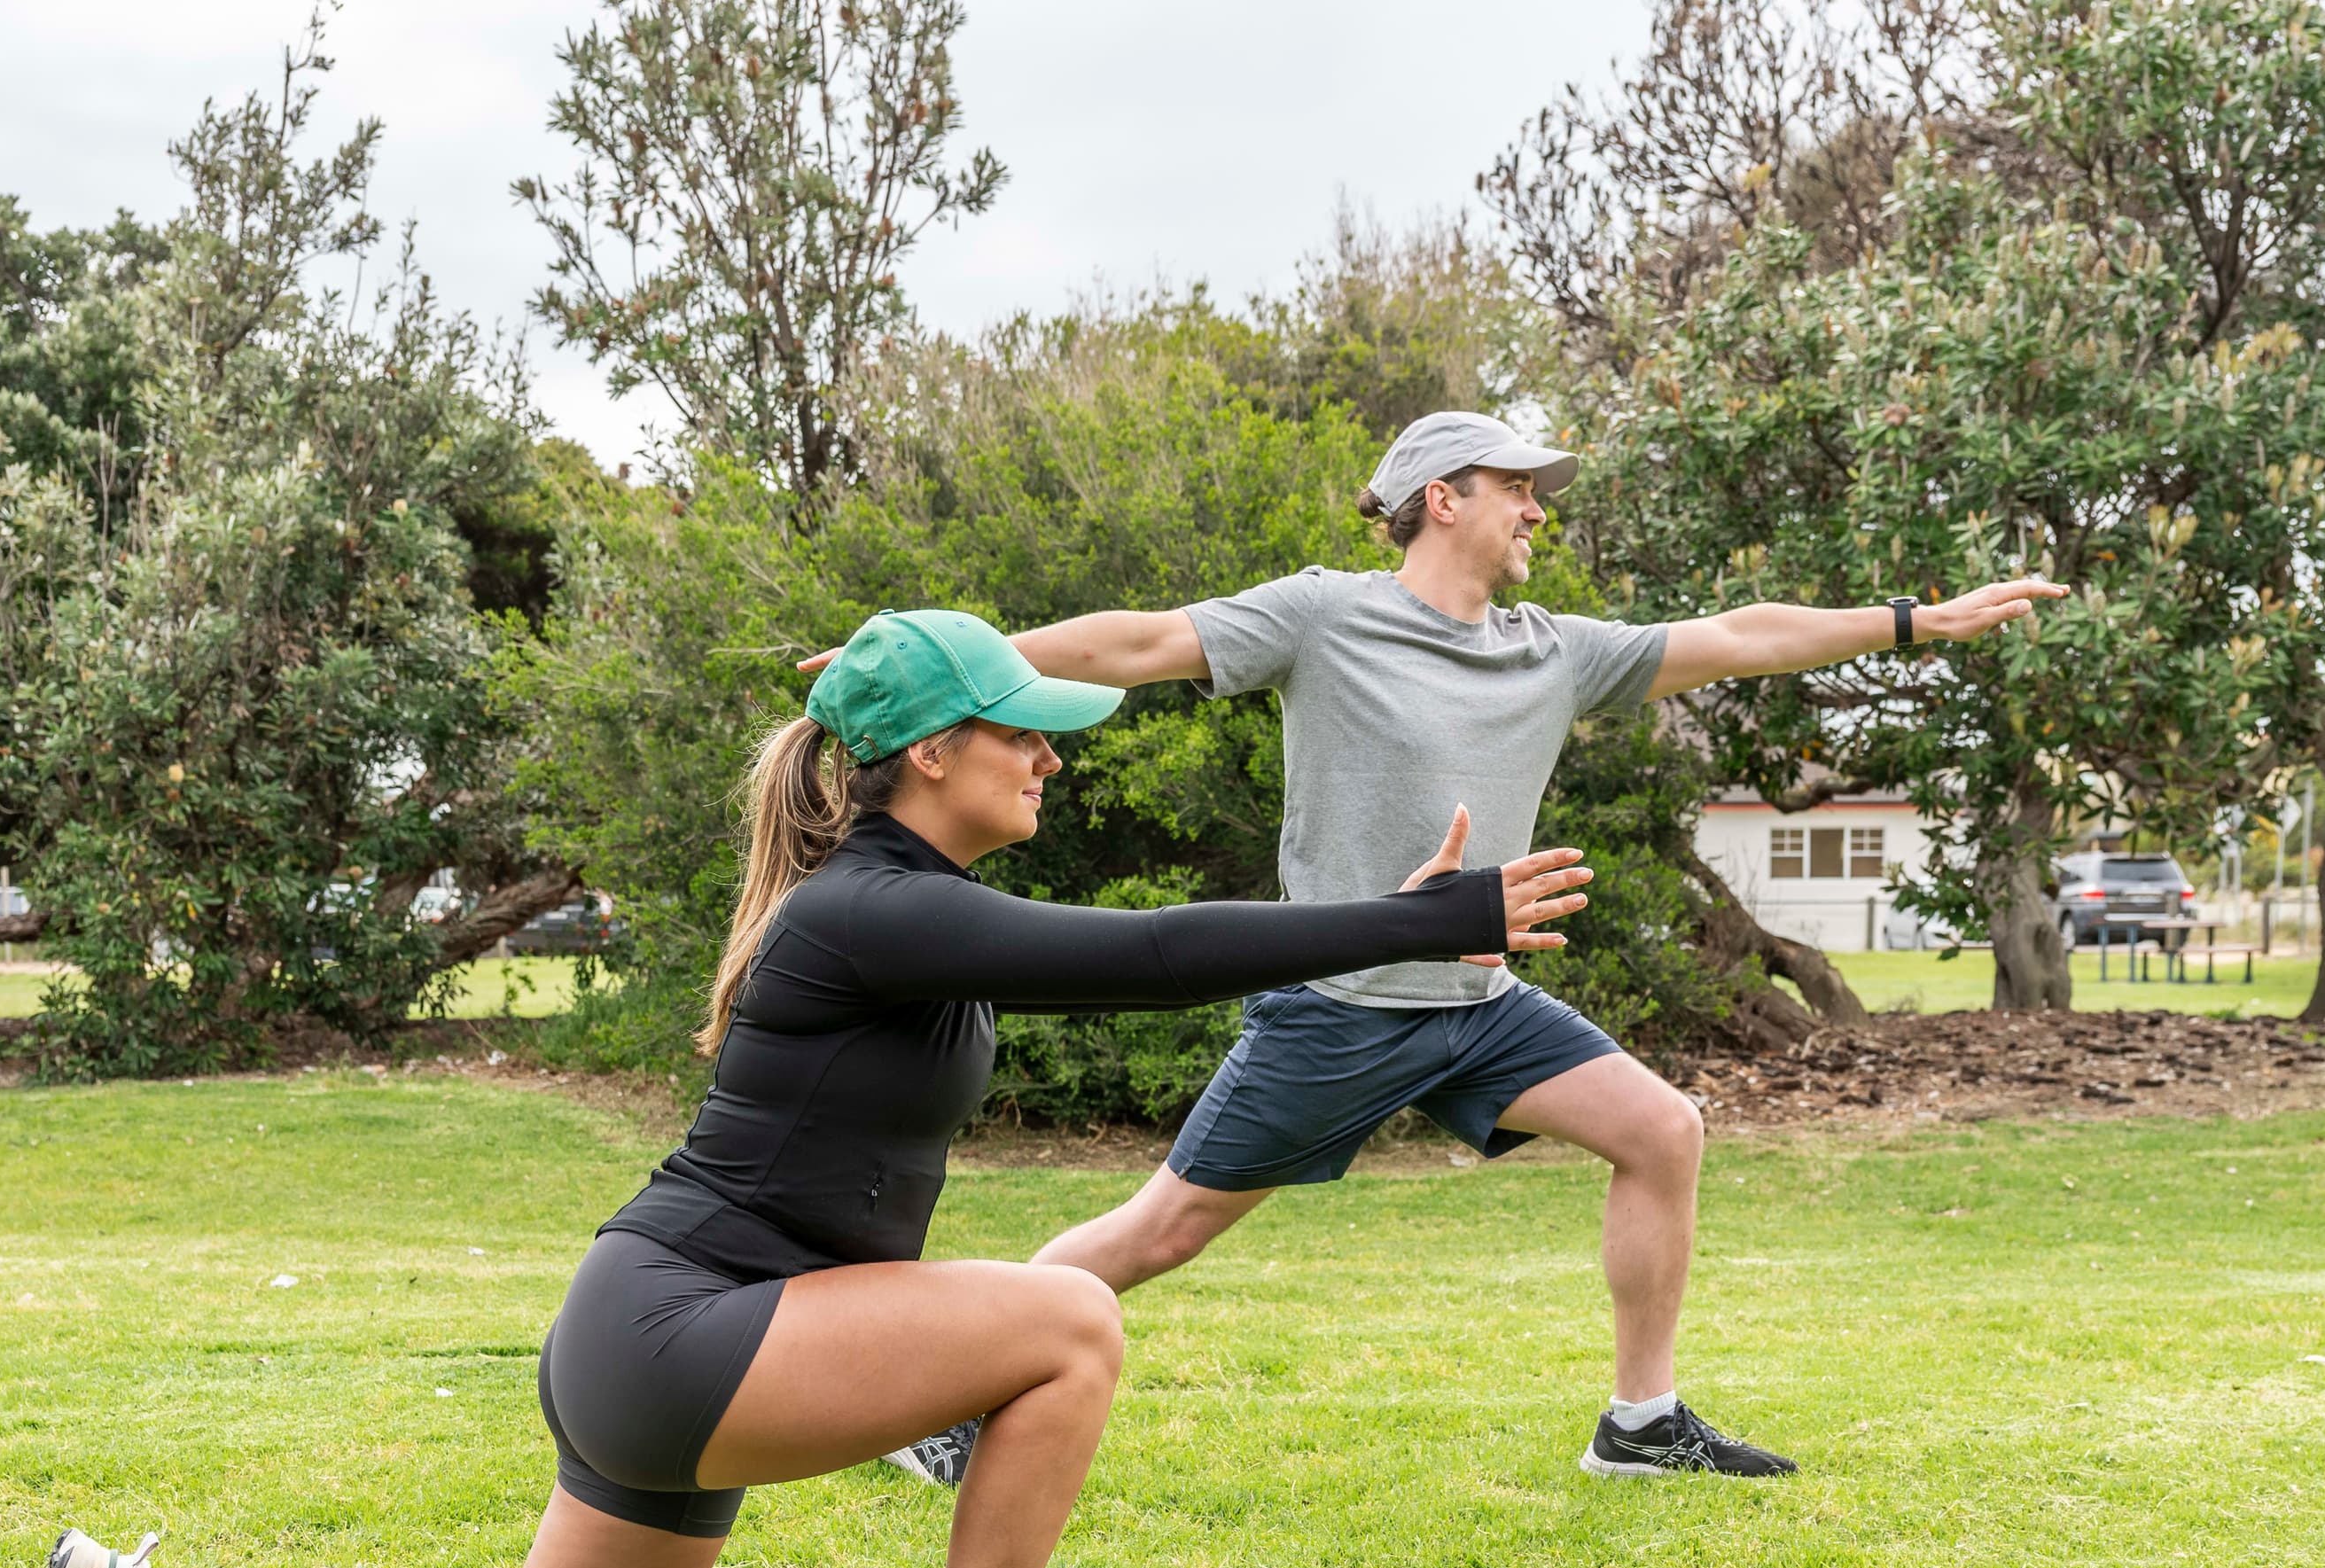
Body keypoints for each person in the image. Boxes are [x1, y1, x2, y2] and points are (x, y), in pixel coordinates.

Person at [40, 609, 1590, 1568]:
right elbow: (1155, 955)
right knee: (1068, 1319)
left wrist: (1386, 925)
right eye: (1024, 734)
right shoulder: (872, 910)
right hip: (683, 1332)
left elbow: (1141, 955)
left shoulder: (907, 910)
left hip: (653, 1341)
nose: (1051, 759)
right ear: (933, 756)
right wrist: (1422, 919)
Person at [856, 412, 2064, 1488]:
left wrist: (1914, 621)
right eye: (1517, 488)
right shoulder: (1325, 617)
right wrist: (939, 667)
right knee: (1159, 1231)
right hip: (1338, 1006)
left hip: (1478, 1004)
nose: (1537, 511)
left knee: (1663, 1131)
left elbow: (1742, 635)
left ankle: (1641, 1424)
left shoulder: (1554, 650)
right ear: (1443, 498)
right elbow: (1134, 646)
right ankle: (943, 1398)